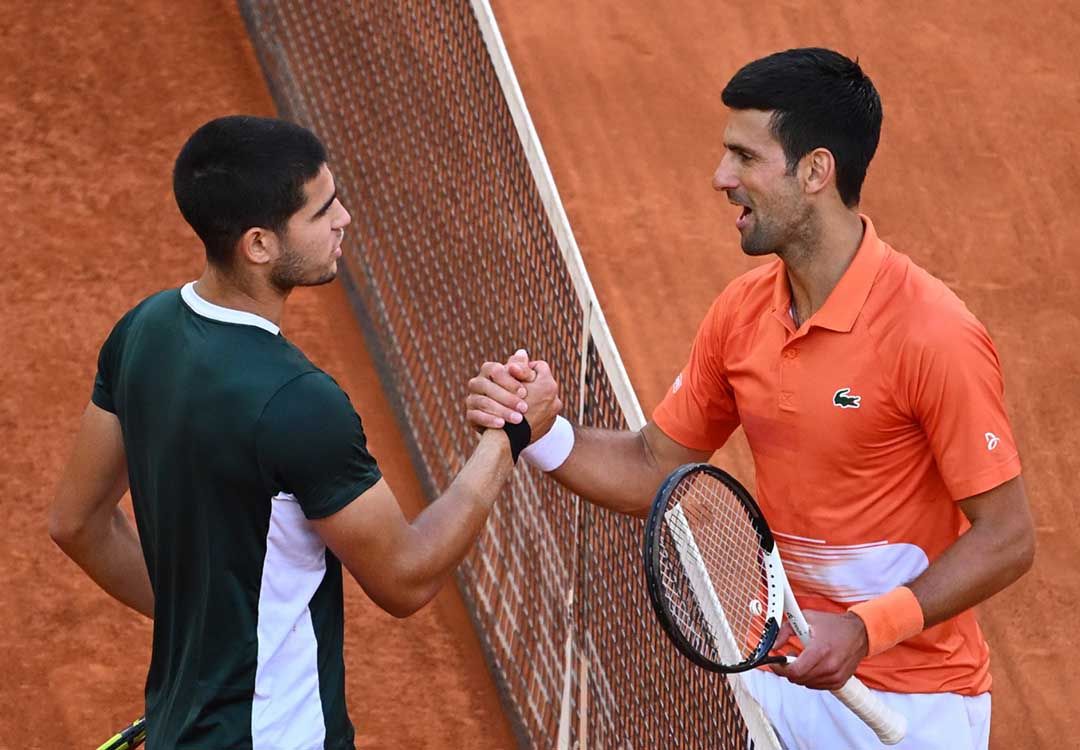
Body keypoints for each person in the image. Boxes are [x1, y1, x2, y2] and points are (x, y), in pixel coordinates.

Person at [467, 48, 1034, 749]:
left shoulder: (933, 333)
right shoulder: (742, 313)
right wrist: (543, 432)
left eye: (745, 157)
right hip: (780, 682)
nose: (720, 179)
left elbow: (1008, 537)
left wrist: (863, 630)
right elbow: (655, 464)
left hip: (914, 712)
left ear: (816, 171)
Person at [48, 115, 560, 749]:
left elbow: (77, 522)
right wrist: (507, 439)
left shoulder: (142, 331)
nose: (343, 217)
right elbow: (404, 577)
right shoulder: (299, 403)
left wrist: (207, 639)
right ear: (259, 245)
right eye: (321, 212)